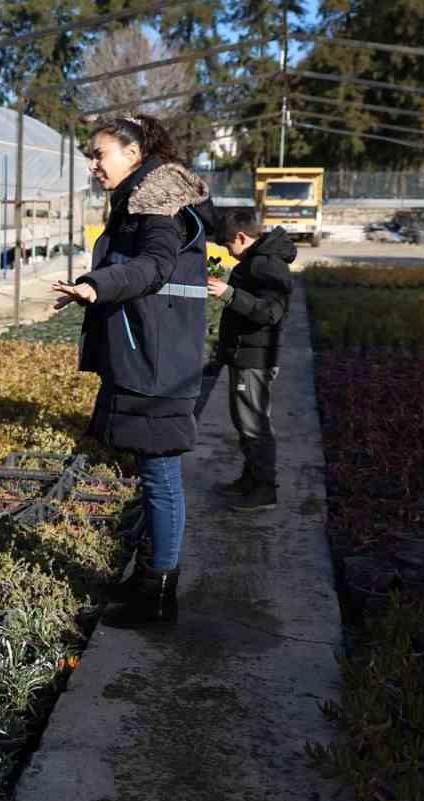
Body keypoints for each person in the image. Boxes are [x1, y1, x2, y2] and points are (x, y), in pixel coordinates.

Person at [50, 113, 214, 629]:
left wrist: (98, 286)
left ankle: (158, 596)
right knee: (153, 475)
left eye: (100, 153)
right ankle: (150, 579)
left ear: (134, 153)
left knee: (161, 476)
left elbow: (154, 266)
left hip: (158, 363)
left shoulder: (157, 204)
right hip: (151, 354)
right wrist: (93, 288)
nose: (93, 164)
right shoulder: (141, 199)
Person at [209, 208, 295, 513]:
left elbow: (271, 312)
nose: (228, 253)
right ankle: (251, 479)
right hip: (244, 355)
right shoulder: (255, 262)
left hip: (255, 358)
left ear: (242, 237)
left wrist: (230, 294)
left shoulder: (267, 266)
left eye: (228, 246)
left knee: (254, 424)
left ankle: (264, 490)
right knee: (244, 421)